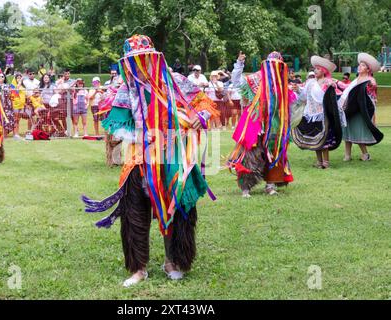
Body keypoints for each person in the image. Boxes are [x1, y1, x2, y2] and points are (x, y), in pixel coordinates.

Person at [82, 34, 218, 287]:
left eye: (144, 59)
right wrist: (140, 137)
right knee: (134, 212)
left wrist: (200, 116)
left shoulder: (175, 82)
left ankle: (173, 261)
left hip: (173, 155)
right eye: (134, 61)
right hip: (139, 156)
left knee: (177, 205)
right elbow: (118, 122)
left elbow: (204, 103)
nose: (140, 66)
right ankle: (138, 268)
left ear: (154, 58)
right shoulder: (127, 88)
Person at [227, 51, 296, 198]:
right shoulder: (255, 79)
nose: (273, 67)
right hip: (254, 121)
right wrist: (239, 63)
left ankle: (270, 184)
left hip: (274, 122)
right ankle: (246, 187)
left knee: (274, 151)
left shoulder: (281, 83)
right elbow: (237, 81)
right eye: (271, 64)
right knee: (251, 154)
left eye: (277, 64)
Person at [291, 56, 344, 169]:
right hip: (311, 115)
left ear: (324, 70)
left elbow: (332, 95)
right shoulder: (310, 82)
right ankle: (319, 161)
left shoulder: (328, 82)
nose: (315, 71)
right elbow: (304, 97)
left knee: (324, 138)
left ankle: (326, 162)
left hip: (323, 115)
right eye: (315, 68)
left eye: (318, 69)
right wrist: (298, 90)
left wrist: (331, 86)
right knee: (315, 138)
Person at [338, 53, 384, 161]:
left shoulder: (369, 79)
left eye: (363, 65)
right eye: (359, 65)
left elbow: (372, 88)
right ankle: (347, 155)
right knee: (347, 130)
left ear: (368, 69)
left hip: (360, 111)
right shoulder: (356, 79)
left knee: (358, 132)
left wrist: (371, 85)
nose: (359, 66)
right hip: (349, 109)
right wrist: (336, 83)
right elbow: (346, 89)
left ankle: (365, 154)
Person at [10, 73, 27, 140]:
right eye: (18, 78)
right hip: (16, 105)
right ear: (15, 78)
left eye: (20, 78)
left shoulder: (23, 86)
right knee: (15, 119)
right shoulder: (13, 86)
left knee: (18, 120)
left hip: (22, 105)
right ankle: (15, 133)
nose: (19, 79)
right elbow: (16, 90)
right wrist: (20, 81)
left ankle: (17, 133)